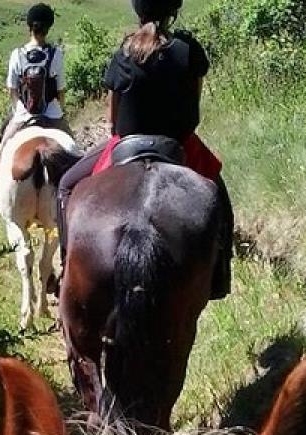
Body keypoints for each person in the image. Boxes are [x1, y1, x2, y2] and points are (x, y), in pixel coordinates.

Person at [56, 0, 233, 299]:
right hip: (180, 144)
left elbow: (113, 119)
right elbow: (194, 108)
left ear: (137, 11)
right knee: (220, 199)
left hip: (125, 144)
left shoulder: (124, 51)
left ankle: (66, 266)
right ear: (173, 10)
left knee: (65, 185)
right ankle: (220, 275)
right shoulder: (188, 49)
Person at [0, 3, 73, 148]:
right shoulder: (55, 54)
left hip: (24, 114)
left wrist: (18, 111)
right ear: (48, 28)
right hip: (52, 113)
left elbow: (12, 90)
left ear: (29, 26)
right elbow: (61, 90)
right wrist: (60, 110)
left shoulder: (17, 54)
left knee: (2, 149)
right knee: (75, 150)